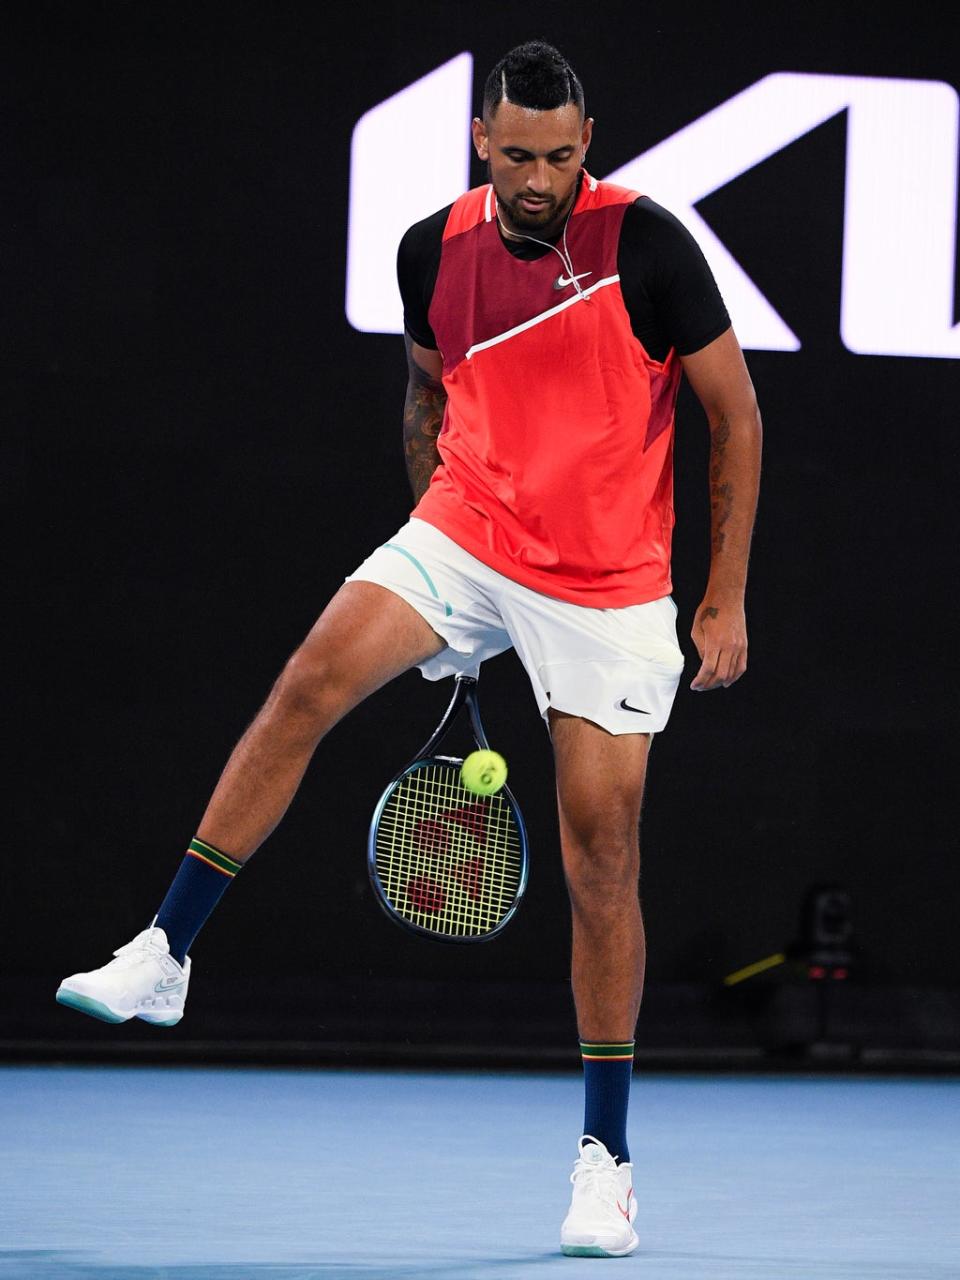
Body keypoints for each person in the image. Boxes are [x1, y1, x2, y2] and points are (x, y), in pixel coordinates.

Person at [57, 40, 762, 1258]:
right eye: (517, 153)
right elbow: (427, 396)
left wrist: (724, 597)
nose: (538, 177)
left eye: (560, 155)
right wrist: (443, 587)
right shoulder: (429, 251)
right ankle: (165, 948)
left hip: (609, 582)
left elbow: (734, 412)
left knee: (604, 854)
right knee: (307, 685)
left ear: (584, 145)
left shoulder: (647, 244)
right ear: (482, 141)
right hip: (468, 531)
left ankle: (607, 1159)